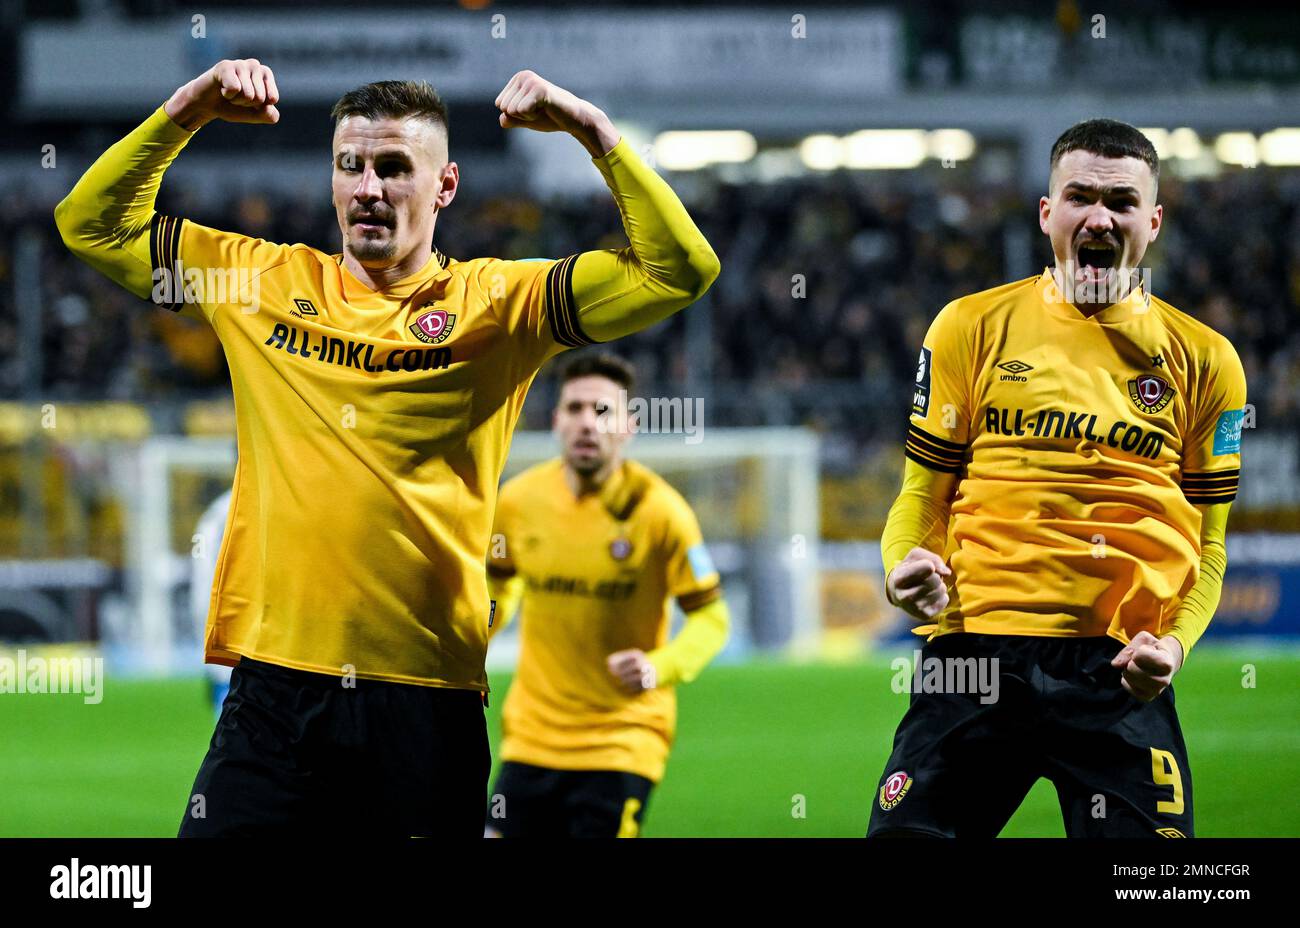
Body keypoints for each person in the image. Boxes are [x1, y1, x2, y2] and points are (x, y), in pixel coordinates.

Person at [55, 58, 719, 837]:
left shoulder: (501, 305)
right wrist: (186, 110)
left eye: (395, 168)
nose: (369, 187)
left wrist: (594, 133)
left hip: (423, 706)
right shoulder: (255, 282)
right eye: (352, 166)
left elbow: (681, 269)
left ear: (445, 187)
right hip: (274, 695)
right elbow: (89, 224)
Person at [870, 119, 1246, 838]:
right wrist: (900, 570)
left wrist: (1173, 647)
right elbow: (921, 498)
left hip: (1120, 672)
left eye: (1121, 202)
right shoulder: (968, 326)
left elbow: (1209, 545)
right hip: (972, 655)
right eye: (1079, 196)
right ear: (1048, 214)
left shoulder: (1208, 361)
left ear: (1153, 222)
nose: (1099, 216)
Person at [485, 353, 728, 837]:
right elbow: (499, 583)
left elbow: (712, 620)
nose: (586, 424)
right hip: (531, 737)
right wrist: (478, 628)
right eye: (574, 409)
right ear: (555, 421)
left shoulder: (662, 514)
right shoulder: (517, 502)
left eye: (602, 411)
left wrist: (659, 666)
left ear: (628, 426)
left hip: (621, 740)